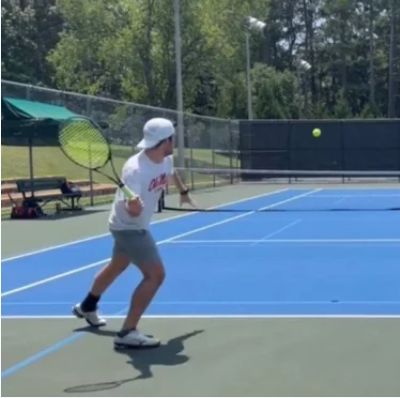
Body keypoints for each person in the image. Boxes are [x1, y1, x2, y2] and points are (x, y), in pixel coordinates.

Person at [72, 117, 195, 349]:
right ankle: (127, 332)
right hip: (130, 228)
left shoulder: (164, 158)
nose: (175, 141)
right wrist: (134, 207)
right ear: (166, 141)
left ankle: (88, 305)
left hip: (130, 225)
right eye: (173, 138)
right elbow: (130, 208)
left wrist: (183, 191)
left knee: (117, 266)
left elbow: (172, 172)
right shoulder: (135, 170)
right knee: (156, 275)